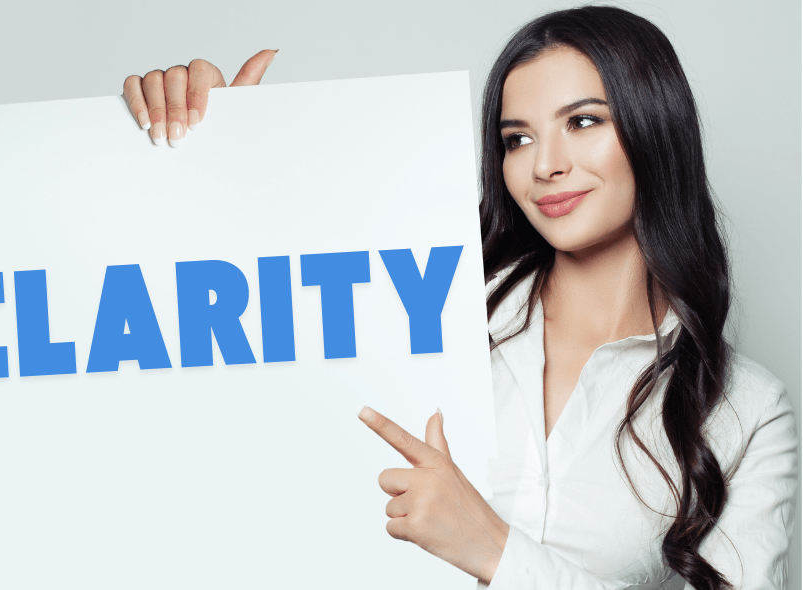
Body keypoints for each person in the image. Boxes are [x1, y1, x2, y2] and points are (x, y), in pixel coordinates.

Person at [121, 6, 797, 589]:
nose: (544, 165)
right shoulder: (417, 304)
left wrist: (497, 553)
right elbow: (222, 340)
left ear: (655, 129)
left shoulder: (745, 409)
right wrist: (205, 152)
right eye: (516, 139)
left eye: (583, 122)